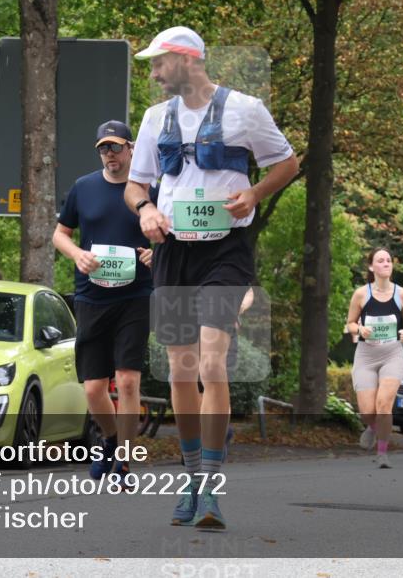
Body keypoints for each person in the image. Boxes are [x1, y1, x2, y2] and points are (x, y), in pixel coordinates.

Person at [125, 26, 299, 530]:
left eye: (159, 63)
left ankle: (213, 490)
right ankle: (192, 478)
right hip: (175, 252)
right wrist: (146, 211)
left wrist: (255, 194)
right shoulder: (157, 118)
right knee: (181, 368)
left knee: (211, 360)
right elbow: (136, 184)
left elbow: (287, 162)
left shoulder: (245, 109)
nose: (154, 74)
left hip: (226, 251)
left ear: (185, 59)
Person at [53, 120, 155, 485]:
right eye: (103, 148)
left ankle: (124, 463)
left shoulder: (148, 189)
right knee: (94, 388)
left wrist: (156, 254)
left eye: (115, 147)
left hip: (135, 295)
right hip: (92, 296)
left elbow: (169, 234)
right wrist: (77, 254)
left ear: (131, 149)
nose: (109, 154)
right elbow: (60, 234)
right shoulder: (84, 188)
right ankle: (111, 440)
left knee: (127, 381)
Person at [345, 247, 403, 469]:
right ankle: (372, 427)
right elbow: (349, 324)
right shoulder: (361, 294)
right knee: (368, 411)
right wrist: (359, 330)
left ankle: (382, 453)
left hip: (392, 353)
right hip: (366, 355)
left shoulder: (402, 294)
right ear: (371, 267)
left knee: (383, 404)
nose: (386, 263)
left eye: (388, 260)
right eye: (381, 260)